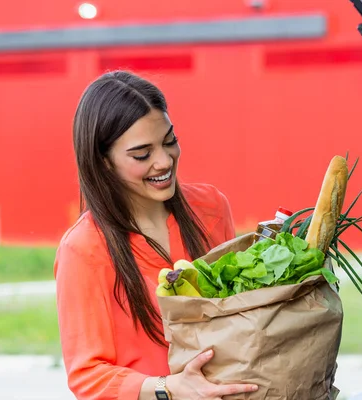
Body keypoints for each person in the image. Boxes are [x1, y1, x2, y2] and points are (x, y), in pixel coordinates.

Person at [54, 71, 259, 400]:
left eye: (169, 141)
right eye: (142, 154)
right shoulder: (84, 248)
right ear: (104, 162)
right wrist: (168, 389)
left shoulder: (211, 208)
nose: (164, 161)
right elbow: (87, 375)